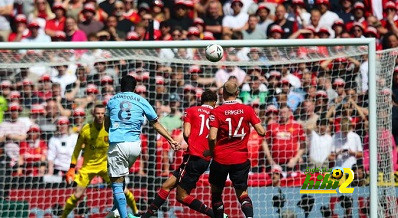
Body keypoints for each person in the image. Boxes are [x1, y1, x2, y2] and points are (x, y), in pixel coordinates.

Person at [105, 76, 178, 218]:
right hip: (135, 147)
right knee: (121, 179)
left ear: (121, 86)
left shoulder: (112, 100)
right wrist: (170, 139)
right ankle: (115, 210)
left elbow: (106, 126)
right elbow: (155, 123)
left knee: (117, 184)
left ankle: (124, 216)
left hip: (118, 144)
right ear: (134, 88)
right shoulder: (142, 100)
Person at [143, 90, 218, 218]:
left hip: (193, 156)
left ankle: (217, 215)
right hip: (205, 159)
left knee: (182, 196)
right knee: (166, 186)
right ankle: (145, 217)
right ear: (214, 103)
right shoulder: (217, 114)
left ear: (201, 101)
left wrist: (192, 143)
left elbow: (187, 133)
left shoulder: (191, 110)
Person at [61, 104, 138, 218]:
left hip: (106, 166)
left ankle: (136, 213)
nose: (100, 116)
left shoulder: (111, 128)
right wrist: (72, 167)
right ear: (93, 114)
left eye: (102, 113)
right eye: (98, 113)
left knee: (123, 191)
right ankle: (63, 216)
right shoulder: (86, 130)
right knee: (77, 195)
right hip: (88, 167)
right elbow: (77, 149)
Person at [208, 81, 265, 218]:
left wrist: (211, 151)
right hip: (240, 159)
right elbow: (262, 132)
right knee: (242, 193)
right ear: (237, 93)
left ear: (222, 93)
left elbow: (211, 137)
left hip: (221, 159)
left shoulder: (216, 112)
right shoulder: (247, 110)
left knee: (216, 193)